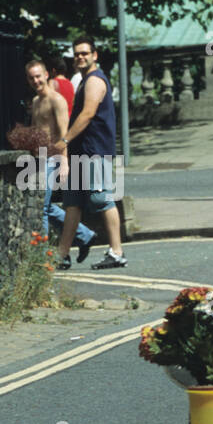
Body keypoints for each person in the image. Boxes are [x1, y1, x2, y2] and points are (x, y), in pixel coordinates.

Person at [57, 37, 127, 270]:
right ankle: (62, 255)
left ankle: (116, 252)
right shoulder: (84, 80)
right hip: (82, 151)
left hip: (95, 150)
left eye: (85, 53)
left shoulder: (95, 81)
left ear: (94, 55)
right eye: (77, 54)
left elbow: (87, 114)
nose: (80, 57)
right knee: (73, 203)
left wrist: (65, 139)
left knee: (102, 198)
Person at [26, 60, 93, 263]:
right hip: (38, 160)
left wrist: (64, 163)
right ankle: (84, 235)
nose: (35, 80)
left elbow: (64, 134)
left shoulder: (57, 100)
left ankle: (44, 258)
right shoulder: (36, 101)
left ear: (47, 75)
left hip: (54, 158)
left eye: (38, 76)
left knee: (41, 209)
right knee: (45, 206)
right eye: (31, 77)